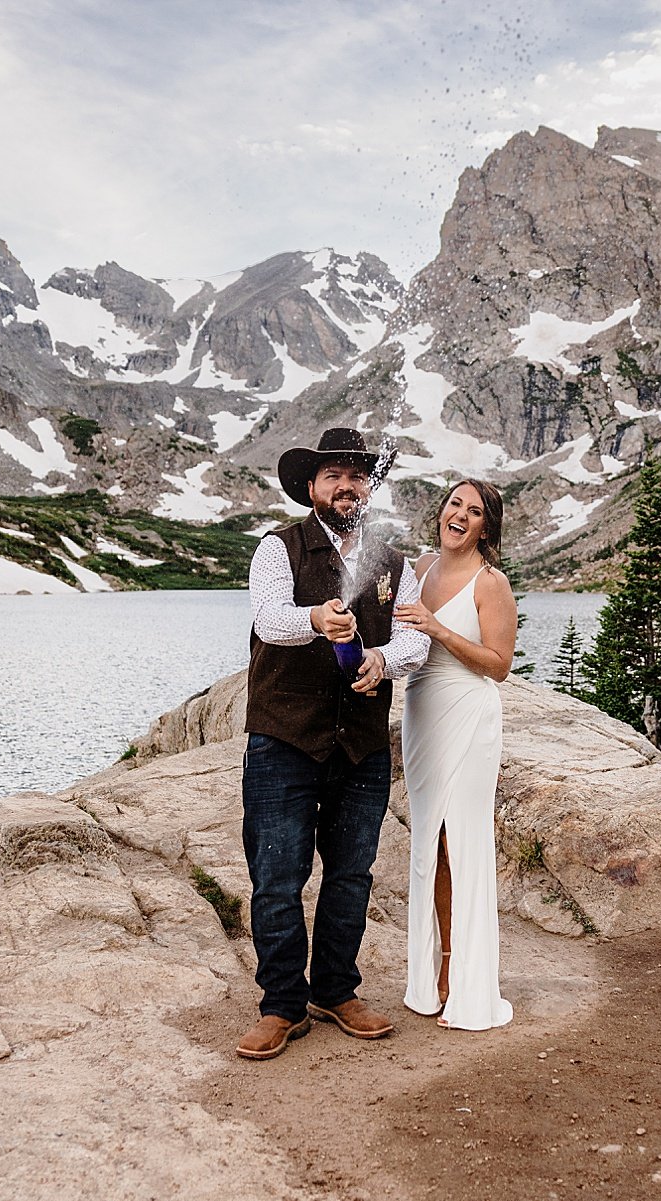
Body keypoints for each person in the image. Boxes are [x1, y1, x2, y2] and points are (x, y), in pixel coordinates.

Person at [236, 427, 431, 1061]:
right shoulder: (277, 549)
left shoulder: (392, 562)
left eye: (355, 475)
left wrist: (381, 660)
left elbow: (415, 642)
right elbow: (268, 619)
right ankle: (281, 1005)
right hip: (283, 740)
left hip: (362, 744)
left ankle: (336, 992)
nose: (345, 484)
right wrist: (316, 619)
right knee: (277, 876)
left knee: (350, 875)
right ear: (311, 488)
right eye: (332, 475)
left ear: (368, 486)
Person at [394, 480, 515, 1031]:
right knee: (429, 847)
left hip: (469, 714)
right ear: (441, 511)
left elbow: (498, 664)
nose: (460, 515)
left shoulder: (492, 583)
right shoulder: (418, 567)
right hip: (421, 713)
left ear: (485, 527)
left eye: (474, 511)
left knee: (462, 842)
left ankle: (467, 985)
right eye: (454, 505)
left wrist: (439, 629)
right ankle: (432, 976)